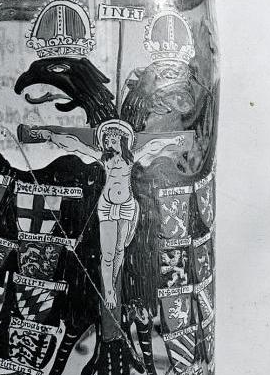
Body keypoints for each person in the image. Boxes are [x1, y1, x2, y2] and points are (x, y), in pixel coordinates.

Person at [34, 119, 185, 309]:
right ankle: (109, 292)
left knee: (120, 249)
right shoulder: (105, 158)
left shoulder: (131, 158)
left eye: (112, 140)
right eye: (106, 141)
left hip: (126, 206)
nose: (108, 144)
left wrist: (172, 141)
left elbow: (152, 146)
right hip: (107, 207)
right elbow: (76, 145)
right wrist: (51, 136)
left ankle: (111, 283)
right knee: (107, 254)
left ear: (122, 141)